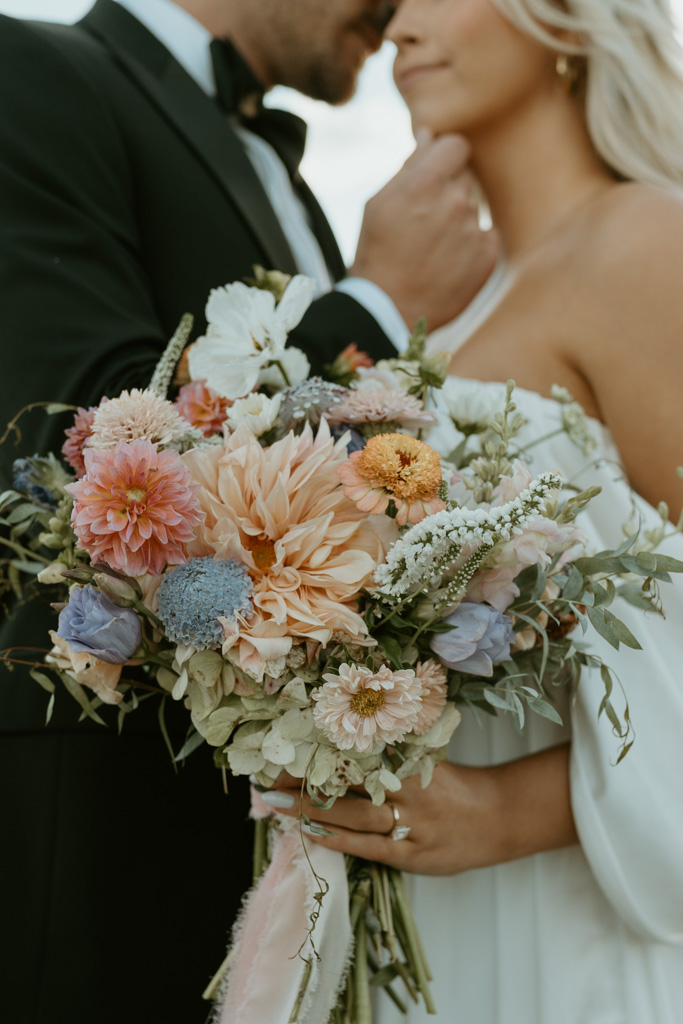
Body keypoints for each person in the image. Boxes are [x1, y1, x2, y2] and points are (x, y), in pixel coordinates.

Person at [0, 1, 499, 1021]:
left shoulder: (286, 180)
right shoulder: (25, 68)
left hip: (282, 872)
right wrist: (375, 304)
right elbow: (65, 444)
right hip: (97, 853)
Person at [271, 0, 683, 1021]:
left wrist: (506, 812)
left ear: (571, 25)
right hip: (421, 926)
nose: (399, 26)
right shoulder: (446, 309)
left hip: (567, 911)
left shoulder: (642, 242)